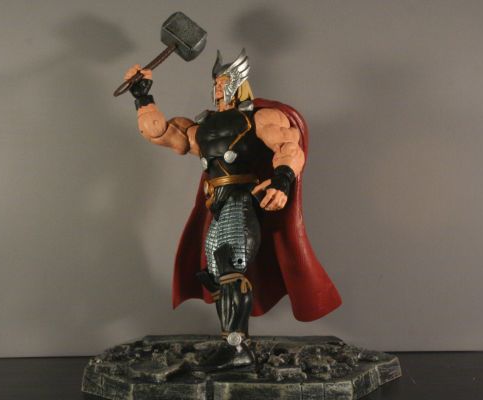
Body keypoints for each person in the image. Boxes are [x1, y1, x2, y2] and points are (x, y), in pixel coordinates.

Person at [124, 49, 341, 369]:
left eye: (223, 81)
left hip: (240, 203)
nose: (217, 87)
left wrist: (282, 180)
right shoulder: (203, 126)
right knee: (217, 274)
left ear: (238, 82)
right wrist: (143, 97)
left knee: (230, 267)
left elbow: (288, 146)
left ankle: (237, 348)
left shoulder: (258, 118)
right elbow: (161, 133)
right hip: (217, 206)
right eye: (215, 81)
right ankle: (234, 343)